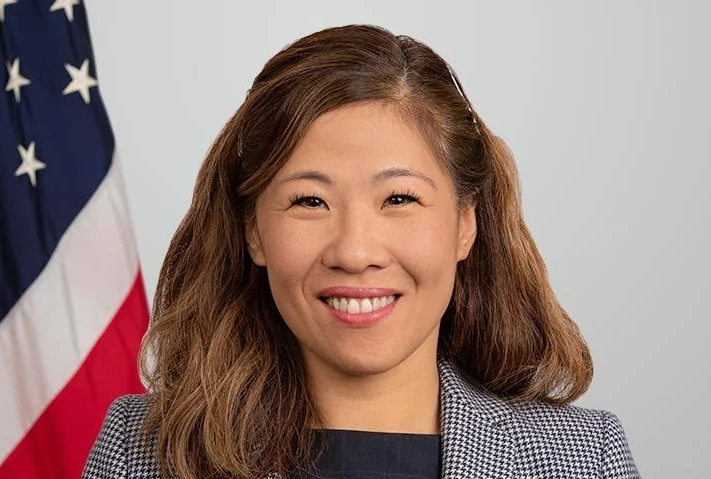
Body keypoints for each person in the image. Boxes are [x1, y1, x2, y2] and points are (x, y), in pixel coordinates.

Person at [82, 24, 640, 479]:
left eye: (399, 198)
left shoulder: (584, 459)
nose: (354, 252)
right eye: (310, 201)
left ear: (465, 223)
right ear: (253, 232)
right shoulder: (142, 450)